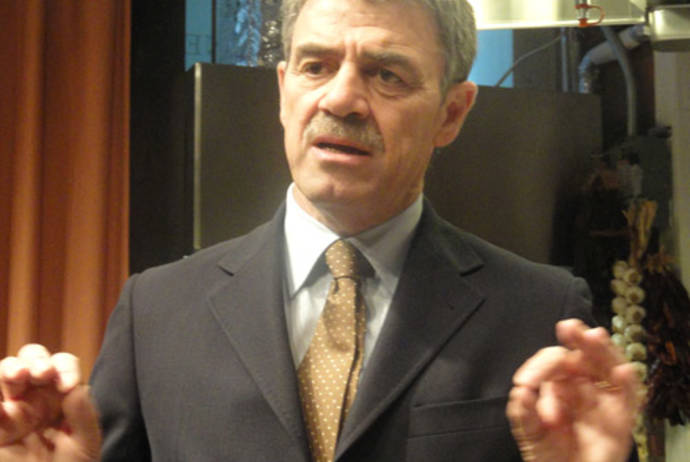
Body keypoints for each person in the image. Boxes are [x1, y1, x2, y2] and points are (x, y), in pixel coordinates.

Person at [0, 0, 641, 461]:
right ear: (283, 91)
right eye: (316, 65)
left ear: (452, 112)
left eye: (387, 73)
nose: (340, 99)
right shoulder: (156, 312)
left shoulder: (539, 313)